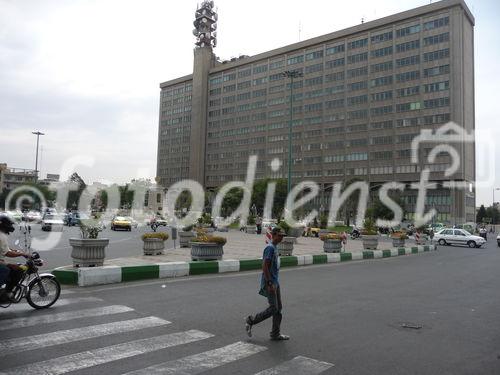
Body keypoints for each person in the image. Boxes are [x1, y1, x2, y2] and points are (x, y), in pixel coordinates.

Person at [245, 227, 289, 341]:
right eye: (280, 235)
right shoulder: (269, 248)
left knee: (278, 308)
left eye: (282, 236)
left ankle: (275, 334)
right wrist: (269, 283)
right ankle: (251, 320)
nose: (281, 238)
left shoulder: (274, 247)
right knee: (273, 308)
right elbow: (265, 266)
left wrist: (274, 282)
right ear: (274, 235)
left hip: (275, 282)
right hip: (270, 282)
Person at [0, 215, 29, 301]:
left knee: (14, 268)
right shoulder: (2, 236)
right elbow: (7, 253)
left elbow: (5, 249)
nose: (11, 227)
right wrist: (22, 254)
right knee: (16, 269)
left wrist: (17, 251)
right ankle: (8, 293)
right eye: (9, 225)